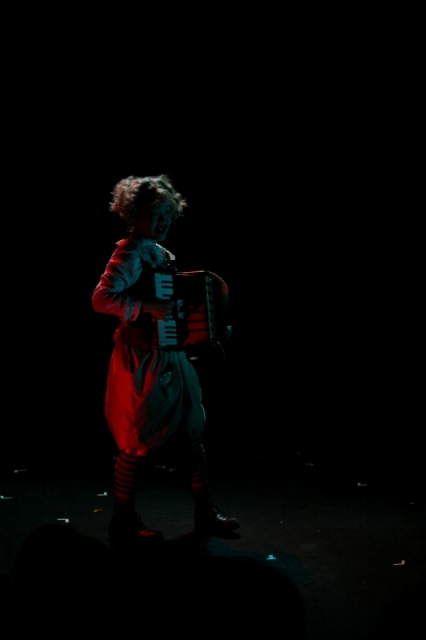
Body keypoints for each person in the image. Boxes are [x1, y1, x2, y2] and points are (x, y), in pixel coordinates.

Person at [92, 174, 239, 549]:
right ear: (134, 215)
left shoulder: (158, 254)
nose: (162, 223)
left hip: (169, 357)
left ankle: (204, 511)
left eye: (167, 216)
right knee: (135, 442)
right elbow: (101, 299)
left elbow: (171, 308)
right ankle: (123, 521)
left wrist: (204, 327)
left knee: (193, 434)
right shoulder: (128, 254)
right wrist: (145, 306)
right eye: (154, 215)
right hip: (140, 361)